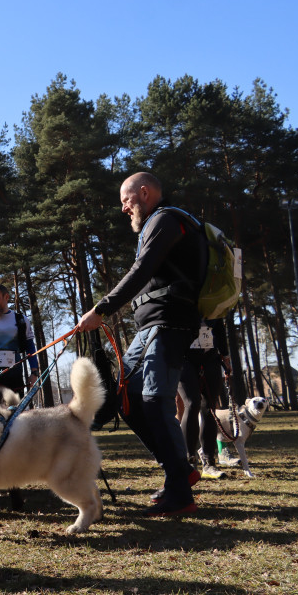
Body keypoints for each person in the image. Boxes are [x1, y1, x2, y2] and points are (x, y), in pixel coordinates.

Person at [76, 172, 207, 517]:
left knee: (153, 399)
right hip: (150, 327)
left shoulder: (165, 220)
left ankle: (180, 495)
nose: (123, 209)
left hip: (169, 324)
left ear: (145, 193)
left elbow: (142, 269)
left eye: (126, 200)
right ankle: (180, 471)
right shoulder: (158, 223)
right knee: (128, 397)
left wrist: (101, 309)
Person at [178, 318, 232, 479]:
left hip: (211, 359)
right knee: (192, 404)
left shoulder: (212, 305)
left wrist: (225, 355)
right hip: (184, 358)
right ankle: (189, 461)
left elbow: (219, 328)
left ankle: (209, 463)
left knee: (210, 409)